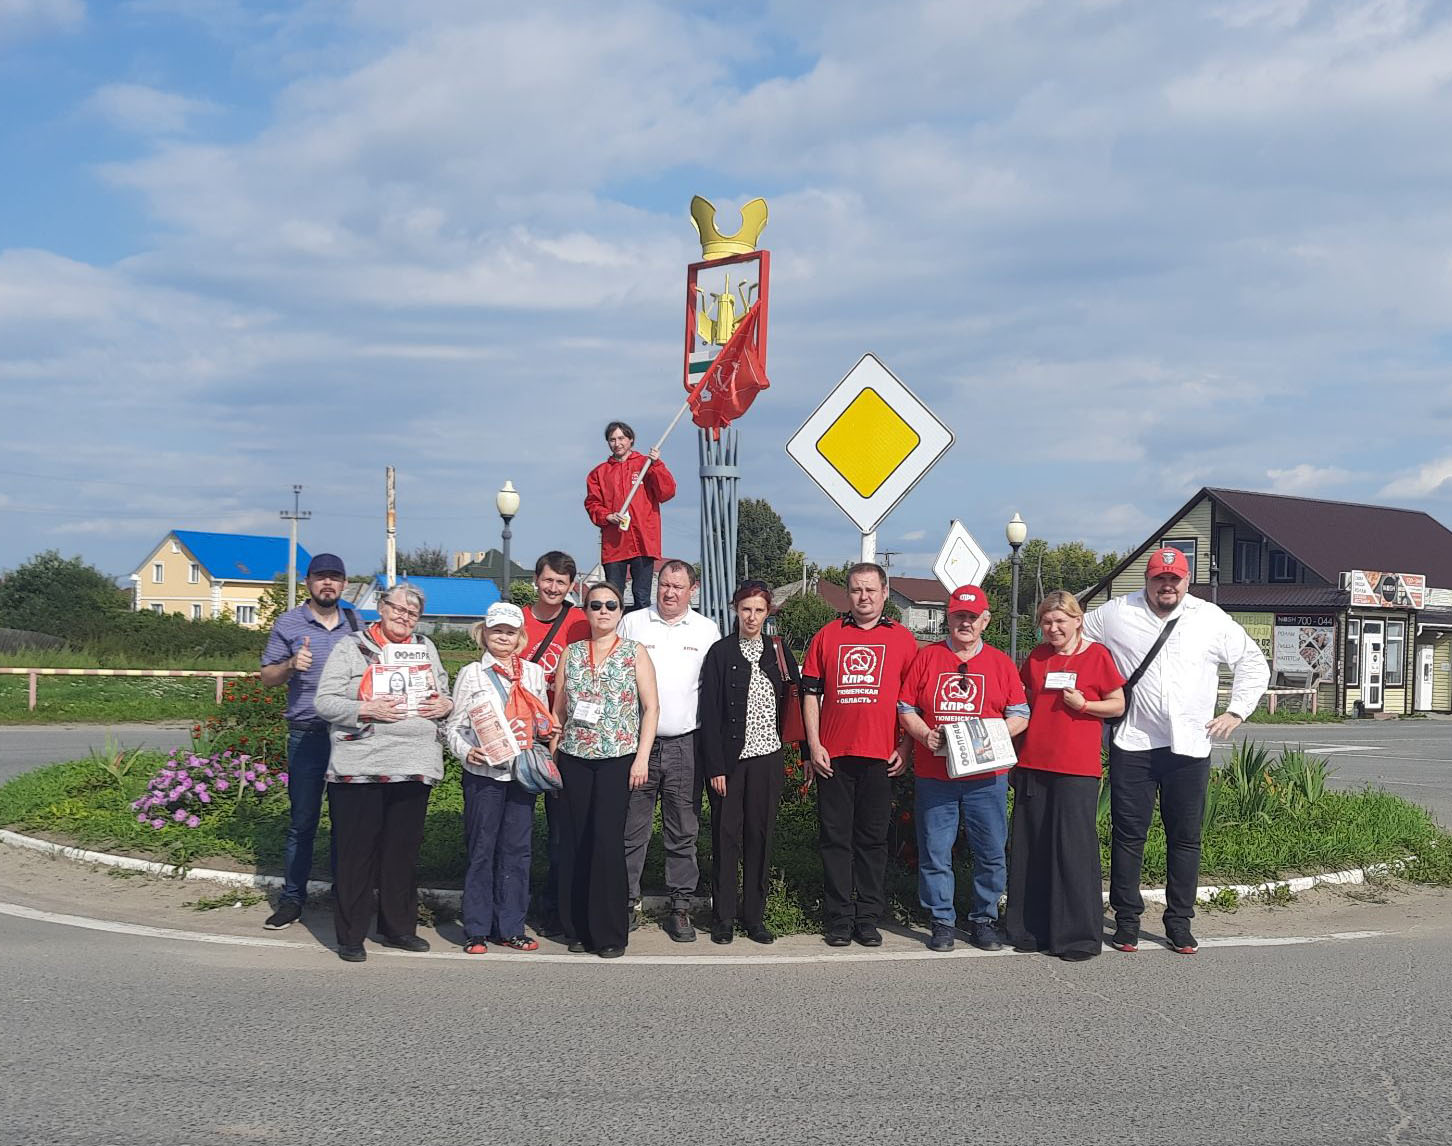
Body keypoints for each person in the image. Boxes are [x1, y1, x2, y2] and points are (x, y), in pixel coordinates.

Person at [1083, 546, 1269, 955]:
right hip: (1133, 743)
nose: (1167, 585)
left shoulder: (1210, 618)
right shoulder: (1117, 612)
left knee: (1185, 839)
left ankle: (1179, 922)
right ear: (1147, 581)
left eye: (1175, 579)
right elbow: (1075, 636)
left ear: (1186, 581)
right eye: (1158, 579)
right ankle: (1126, 921)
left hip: (1189, 746)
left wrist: (1236, 711)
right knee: (1128, 836)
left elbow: (1253, 663)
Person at [314, 583, 452, 962]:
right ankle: (351, 935)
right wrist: (365, 709)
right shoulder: (350, 647)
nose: (404, 617)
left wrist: (445, 703)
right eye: (398, 609)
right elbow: (324, 701)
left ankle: (398, 928)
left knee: (401, 853)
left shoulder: (425, 647)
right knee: (356, 853)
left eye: (413, 612)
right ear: (381, 607)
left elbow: (444, 693)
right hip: (360, 766)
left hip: (414, 764)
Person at [898, 585, 1029, 953]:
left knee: (989, 851)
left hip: (986, 778)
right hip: (935, 776)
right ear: (948, 618)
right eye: (959, 616)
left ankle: (983, 919)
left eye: (972, 617)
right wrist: (924, 735)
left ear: (985, 620)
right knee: (936, 852)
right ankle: (942, 920)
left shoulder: (1001, 663)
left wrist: (990, 736)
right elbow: (905, 706)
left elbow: (1020, 714)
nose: (965, 623)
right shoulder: (927, 658)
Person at [801, 562, 919, 947]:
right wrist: (814, 744)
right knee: (835, 841)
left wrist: (906, 745)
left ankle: (867, 917)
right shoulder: (827, 635)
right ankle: (838, 917)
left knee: (872, 841)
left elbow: (912, 702)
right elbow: (809, 695)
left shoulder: (903, 639)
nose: (863, 597)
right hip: (833, 756)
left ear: (885, 593)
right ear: (848, 594)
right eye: (856, 590)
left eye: (870, 590)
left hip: (880, 756)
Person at [1006, 590, 1125, 961]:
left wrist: (1085, 705)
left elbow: (1118, 703)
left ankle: (1076, 936)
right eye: (1047, 621)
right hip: (1034, 762)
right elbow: (1023, 702)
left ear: (1077, 620)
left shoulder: (1097, 656)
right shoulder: (1038, 658)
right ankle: (1030, 930)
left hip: (1076, 767)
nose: (1053, 627)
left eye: (1060, 620)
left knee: (1073, 851)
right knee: (1032, 848)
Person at [550, 582, 660, 958]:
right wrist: (554, 749)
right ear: (585, 610)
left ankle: (610, 932)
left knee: (607, 843)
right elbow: (559, 709)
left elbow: (652, 708)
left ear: (620, 610)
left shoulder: (634, 653)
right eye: (595, 605)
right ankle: (578, 928)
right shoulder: (572, 653)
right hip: (575, 758)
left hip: (617, 759)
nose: (603, 611)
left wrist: (642, 757)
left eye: (610, 605)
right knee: (577, 842)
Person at [617, 558, 720, 941]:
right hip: (639, 745)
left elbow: (711, 690)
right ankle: (627, 902)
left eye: (678, 586)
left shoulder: (707, 630)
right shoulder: (634, 623)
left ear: (693, 590)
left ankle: (680, 907)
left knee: (683, 831)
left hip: (685, 745)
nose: (670, 592)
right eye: (664, 584)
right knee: (632, 830)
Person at [258, 553, 361, 930]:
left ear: (344, 583)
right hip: (308, 735)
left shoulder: (354, 621)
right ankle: (292, 900)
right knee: (303, 821)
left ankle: (343, 896)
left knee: (346, 822)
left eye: (335, 577)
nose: (328, 584)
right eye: (321, 578)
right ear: (308, 583)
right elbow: (267, 676)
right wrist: (289, 666)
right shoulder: (288, 623)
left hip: (349, 736)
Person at [445, 602, 554, 955]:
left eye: (510, 631)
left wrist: (545, 728)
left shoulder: (534, 674)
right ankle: (476, 928)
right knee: (481, 850)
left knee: (518, 853)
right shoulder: (471, 674)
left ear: (520, 636)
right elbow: (453, 727)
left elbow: (543, 722)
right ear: (484, 633)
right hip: (484, 774)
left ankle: (511, 927)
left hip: (522, 774)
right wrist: (466, 751)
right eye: (497, 630)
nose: (503, 637)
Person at [697, 580, 800, 945]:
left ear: (767, 612)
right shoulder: (721, 654)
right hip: (730, 762)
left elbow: (796, 701)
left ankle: (754, 916)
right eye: (746, 609)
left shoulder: (778, 651)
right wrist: (716, 767)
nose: (752, 616)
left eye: (759, 610)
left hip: (767, 759)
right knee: (726, 837)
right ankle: (723, 917)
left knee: (760, 835)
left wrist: (798, 751)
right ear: (735, 610)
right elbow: (709, 714)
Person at [519, 550, 590, 935]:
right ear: (536, 579)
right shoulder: (519, 622)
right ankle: (514, 903)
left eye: (561, 583)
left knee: (561, 831)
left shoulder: (579, 621)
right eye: (548, 580)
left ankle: (554, 907)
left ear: (570, 586)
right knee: (516, 825)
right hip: (520, 736)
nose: (552, 588)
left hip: (561, 738)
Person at [583, 421, 676, 611]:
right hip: (615, 542)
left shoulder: (646, 464)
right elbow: (592, 503)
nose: (617, 443)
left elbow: (666, 492)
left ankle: (641, 637)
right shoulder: (599, 473)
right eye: (612, 439)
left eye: (621, 438)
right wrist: (607, 516)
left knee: (642, 595)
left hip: (643, 540)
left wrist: (657, 464)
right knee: (613, 597)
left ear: (631, 440)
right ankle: (613, 635)